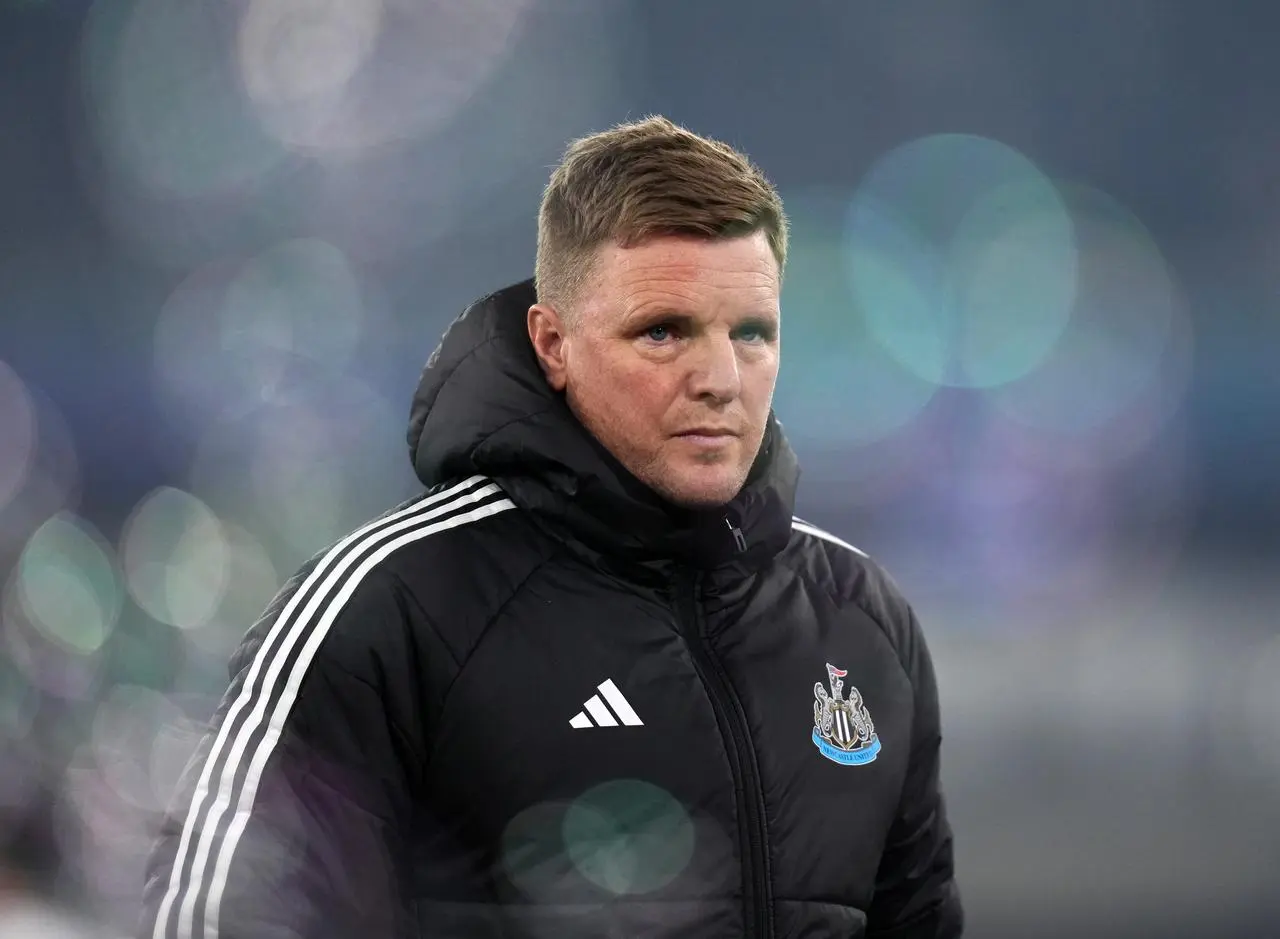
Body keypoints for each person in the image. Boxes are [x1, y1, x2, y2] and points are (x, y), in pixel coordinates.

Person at [139, 116, 962, 939]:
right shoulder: (387, 610)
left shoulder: (861, 619)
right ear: (553, 344)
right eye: (663, 331)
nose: (720, 379)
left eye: (752, 332)